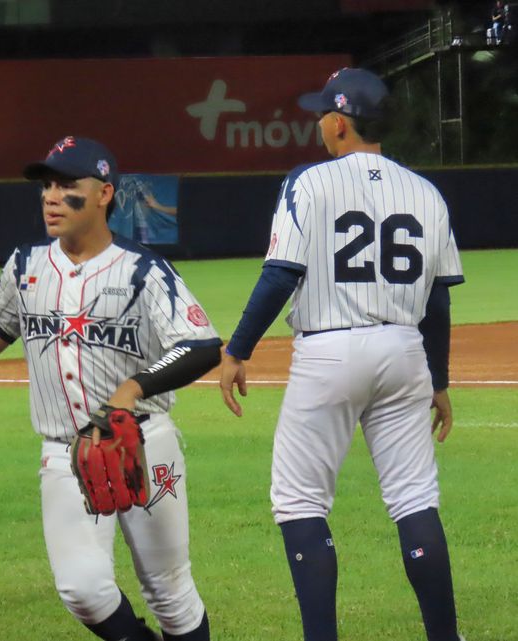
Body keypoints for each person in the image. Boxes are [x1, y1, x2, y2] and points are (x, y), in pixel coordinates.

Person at [219, 68, 465, 641]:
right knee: (413, 498)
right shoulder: (427, 192)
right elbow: (437, 302)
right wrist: (440, 378)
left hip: (329, 349)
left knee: (300, 500)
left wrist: (238, 348)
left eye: (321, 114)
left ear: (338, 122)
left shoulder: (311, 181)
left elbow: (282, 273)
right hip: (405, 350)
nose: (318, 123)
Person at [0, 136, 220, 641]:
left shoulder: (143, 270)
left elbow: (202, 346)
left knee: (169, 592)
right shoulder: (26, 266)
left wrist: (132, 388)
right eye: (46, 185)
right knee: (82, 590)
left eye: (67, 185)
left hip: (143, 442)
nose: (51, 196)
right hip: (64, 453)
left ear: (103, 194)